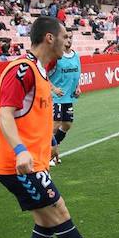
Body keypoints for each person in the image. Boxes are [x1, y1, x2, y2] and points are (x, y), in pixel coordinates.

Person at [0, 16, 119, 238]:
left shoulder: (40, 70)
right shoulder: (21, 70)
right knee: (58, 212)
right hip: (17, 164)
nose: (69, 41)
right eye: (64, 35)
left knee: (46, 218)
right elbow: (3, 114)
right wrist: (20, 151)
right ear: (49, 38)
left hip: (32, 163)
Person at [48, 31, 81, 166]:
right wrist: (54, 88)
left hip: (68, 97)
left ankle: (54, 147)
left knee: (67, 124)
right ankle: (48, 155)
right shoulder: (56, 56)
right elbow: (43, 74)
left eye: (70, 37)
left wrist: (78, 87)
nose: (68, 40)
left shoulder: (76, 56)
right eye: (66, 37)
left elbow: (77, 73)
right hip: (56, 97)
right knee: (55, 124)